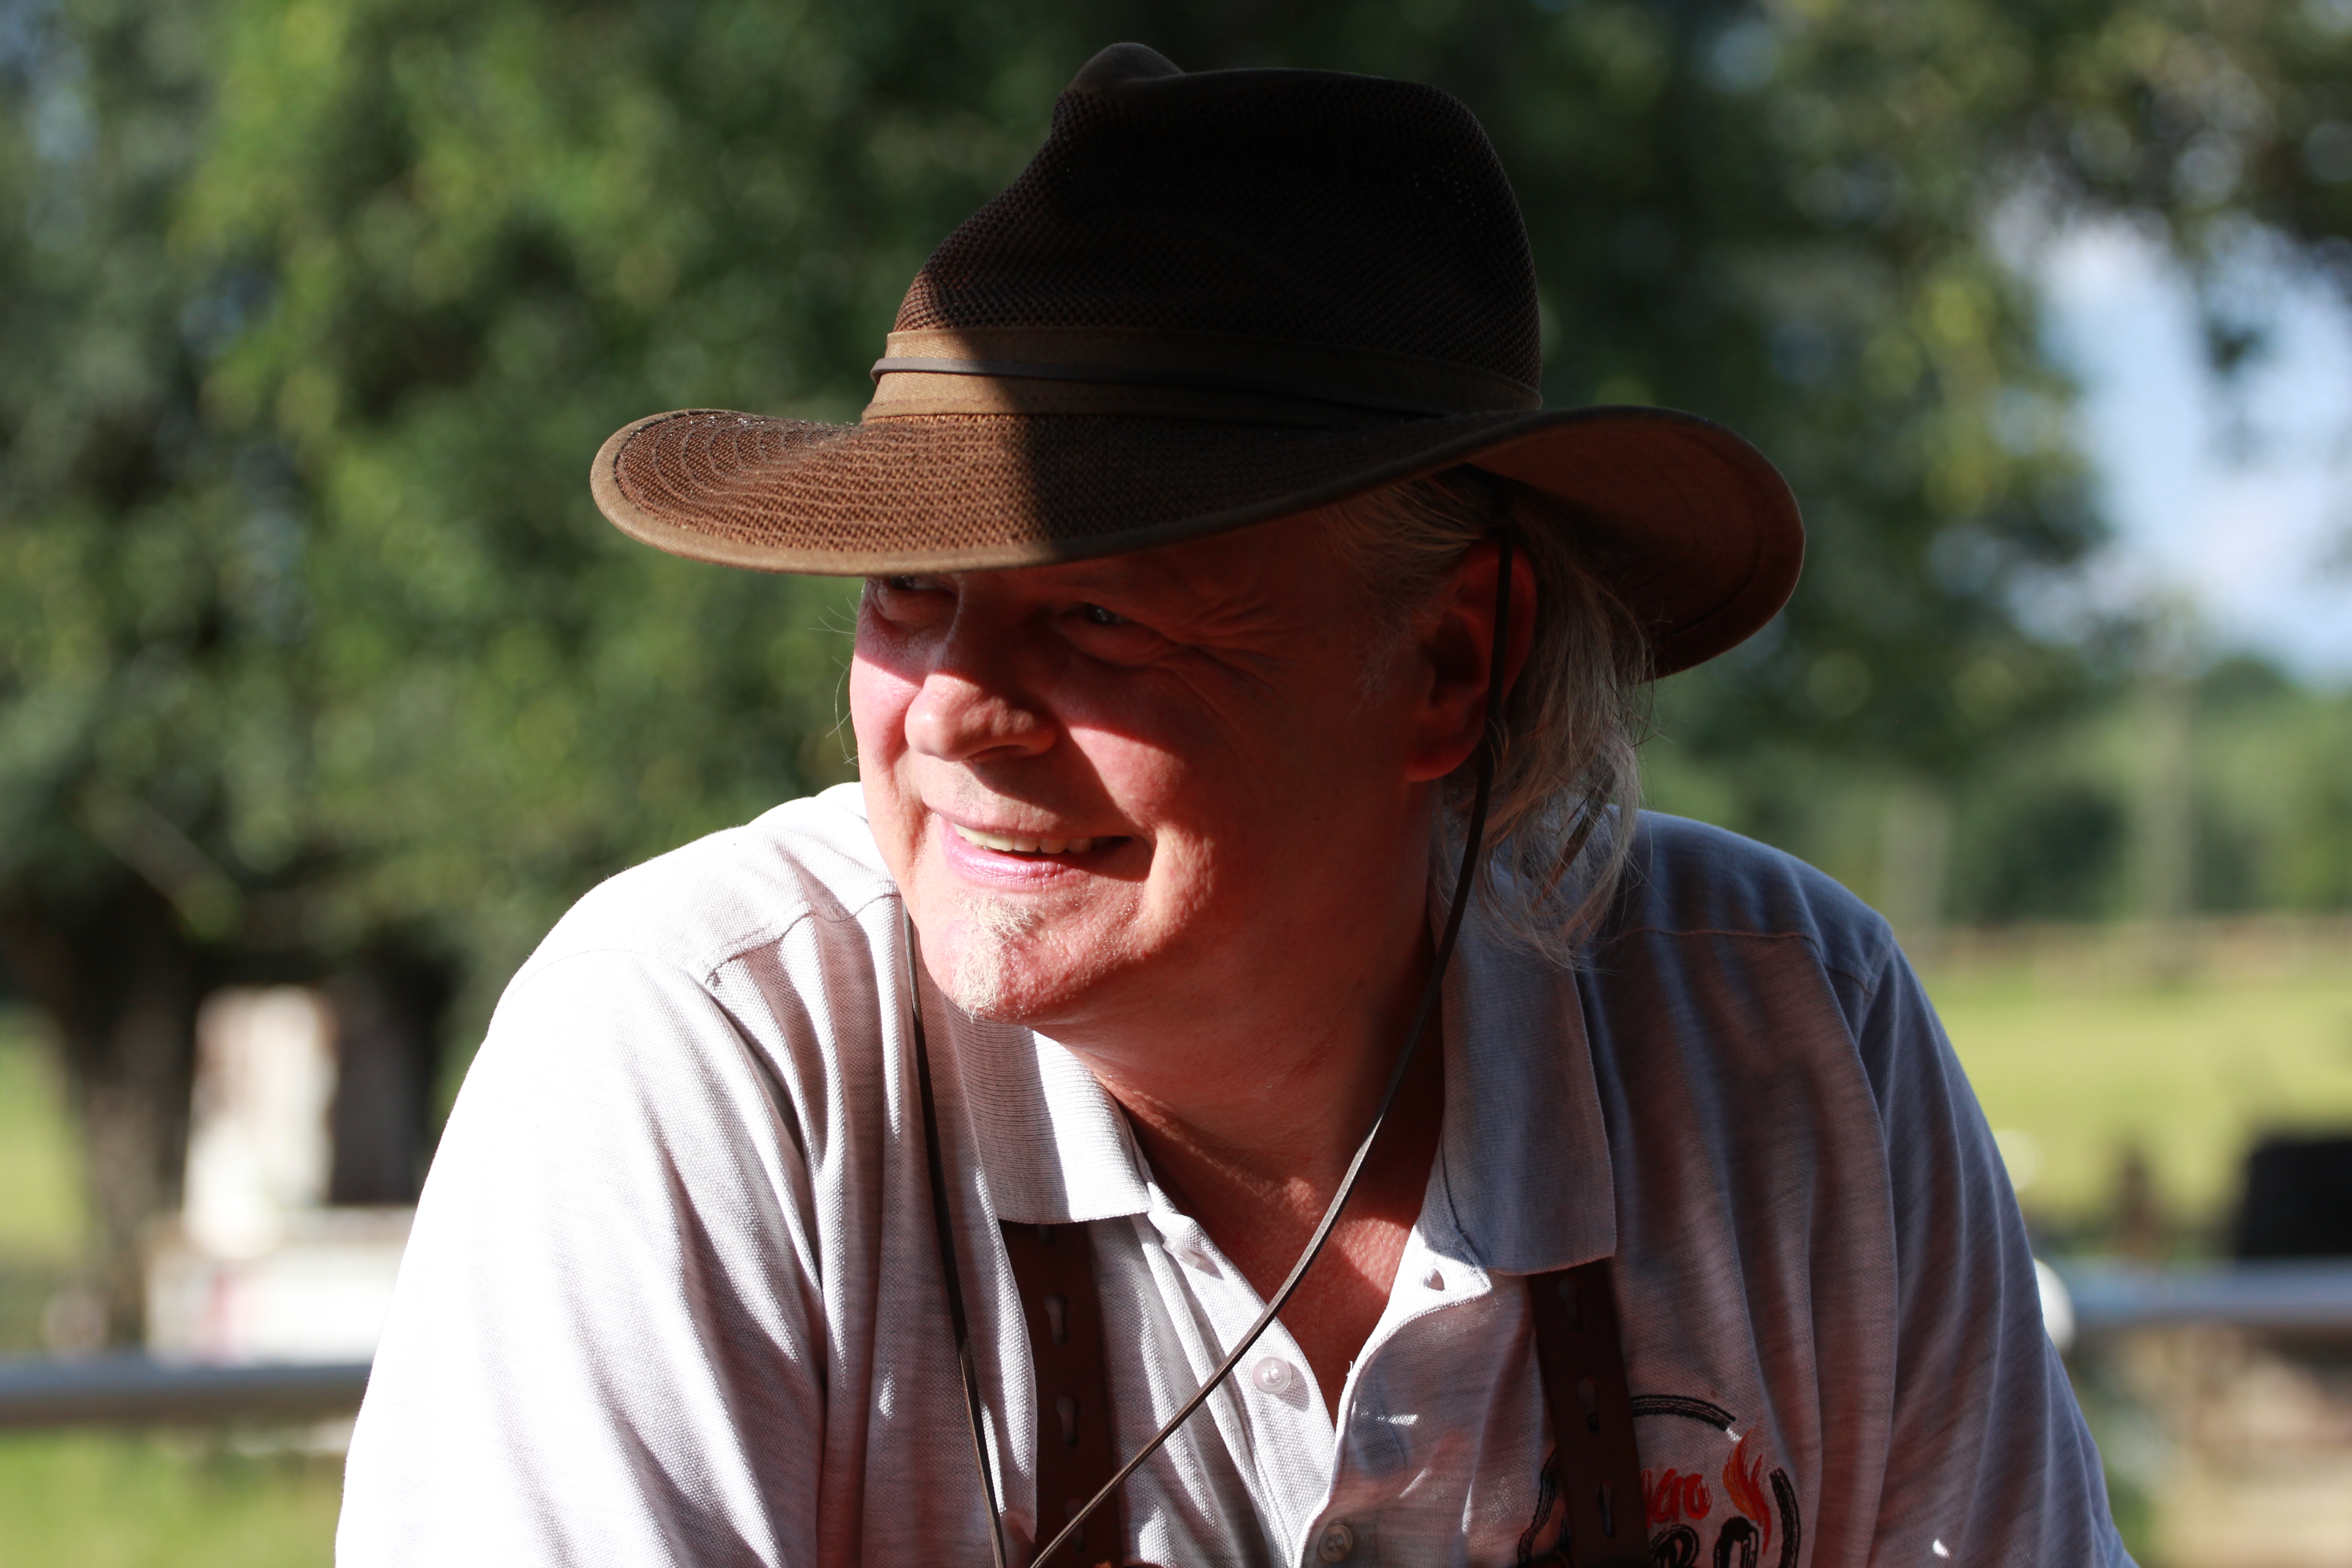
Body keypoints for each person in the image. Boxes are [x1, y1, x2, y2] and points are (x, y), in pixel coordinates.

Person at [338, 43, 2132, 1568]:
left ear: (1455, 666)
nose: (951, 712)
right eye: (907, 593)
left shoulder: (1785, 1033)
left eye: (1097, 616)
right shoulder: (707, 1049)